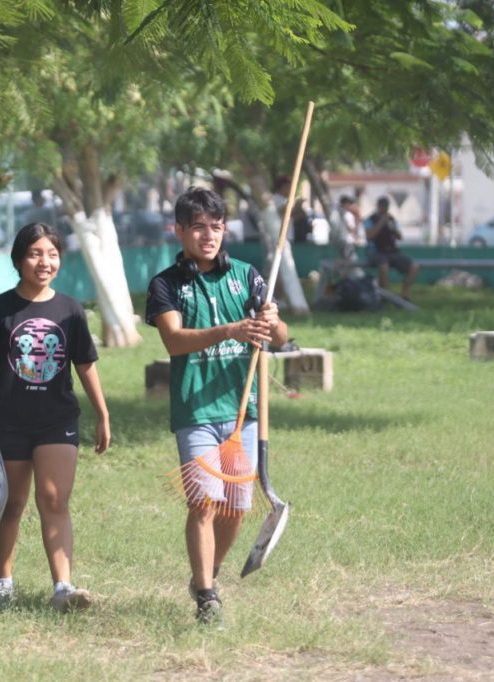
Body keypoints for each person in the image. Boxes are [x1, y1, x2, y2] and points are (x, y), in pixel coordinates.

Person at [145, 187, 288, 626]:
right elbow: (173, 339)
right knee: (203, 504)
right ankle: (206, 594)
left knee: (236, 508)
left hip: (242, 410)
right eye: (199, 227)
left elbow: (281, 340)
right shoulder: (165, 284)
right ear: (180, 231)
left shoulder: (247, 275)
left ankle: (209, 571)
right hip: (195, 412)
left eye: (217, 227)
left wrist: (270, 322)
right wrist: (230, 330)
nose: (209, 235)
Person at [0, 222, 110, 613]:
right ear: (19, 259)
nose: (45, 262)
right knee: (11, 503)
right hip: (7, 418)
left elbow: (85, 365)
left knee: (54, 499)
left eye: (53, 254)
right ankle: (3, 582)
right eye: (36, 253)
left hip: (56, 418)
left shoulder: (71, 310)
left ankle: (63, 586)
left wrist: (103, 414)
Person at [363, 196, 419, 300]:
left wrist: (392, 228)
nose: (384, 209)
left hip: (391, 251)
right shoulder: (370, 219)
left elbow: (399, 237)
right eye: (382, 206)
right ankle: (383, 296)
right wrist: (381, 222)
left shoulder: (391, 219)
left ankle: (404, 294)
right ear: (378, 206)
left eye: (386, 206)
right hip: (376, 252)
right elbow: (369, 236)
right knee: (384, 267)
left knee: (414, 266)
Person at [331, 195, 362, 261]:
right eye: (349, 204)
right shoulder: (347, 215)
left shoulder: (335, 213)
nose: (350, 206)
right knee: (351, 261)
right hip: (345, 244)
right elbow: (351, 230)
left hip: (338, 243)